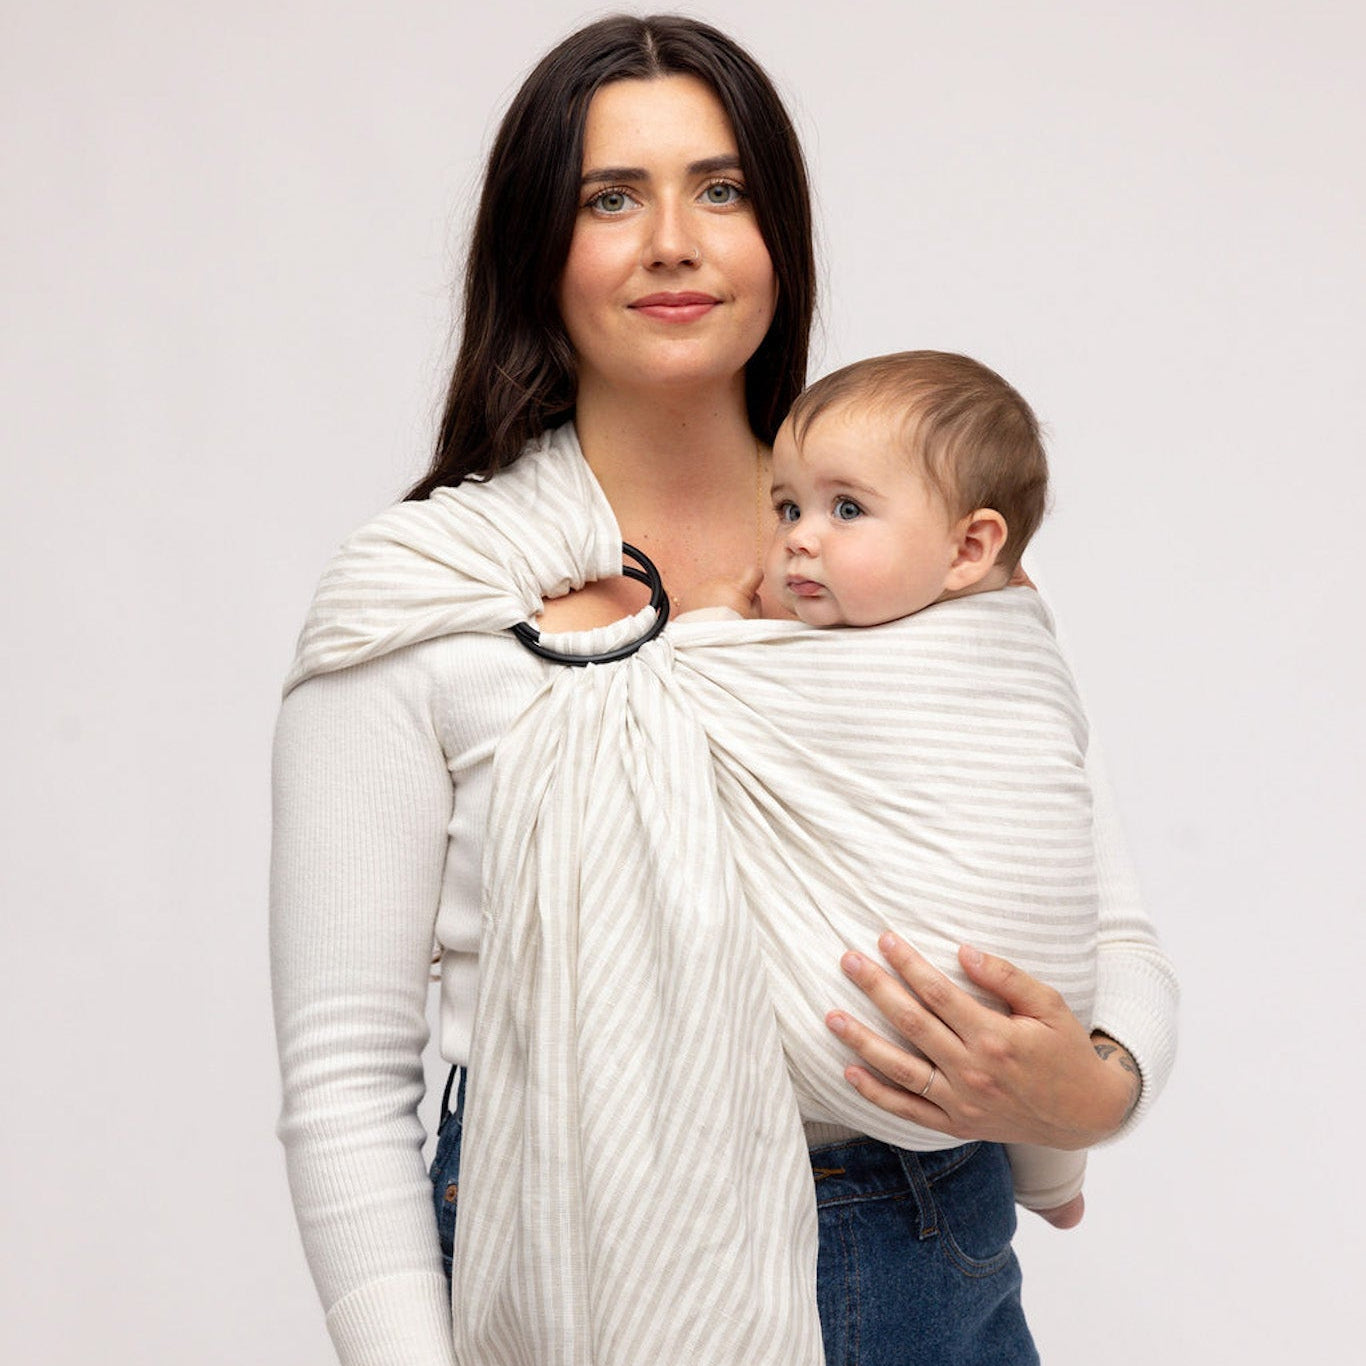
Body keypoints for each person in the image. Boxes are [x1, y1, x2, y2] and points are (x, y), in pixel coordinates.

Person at [270, 15, 1178, 1366]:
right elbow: (344, 1078)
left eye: (721, 188)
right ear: (538, 247)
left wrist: (1092, 1092)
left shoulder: (918, 560)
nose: (673, 241)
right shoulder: (431, 597)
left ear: (776, 234)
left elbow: (1092, 925)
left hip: (930, 1238)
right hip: (574, 1260)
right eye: (610, 198)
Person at [680, 348, 1095, 1228]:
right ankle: (1056, 1184)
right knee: (1037, 992)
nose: (798, 535)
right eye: (786, 506)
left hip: (903, 1056)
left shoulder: (974, 652)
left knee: (1025, 978)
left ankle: (1056, 1175)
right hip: (1012, 1060)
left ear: (970, 548)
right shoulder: (1020, 626)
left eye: (846, 509)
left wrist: (716, 618)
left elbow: (675, 678)